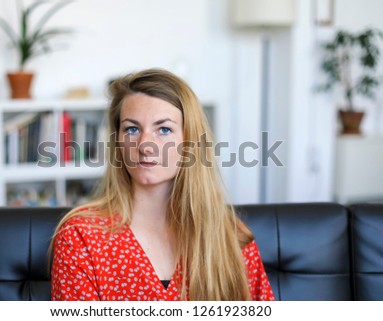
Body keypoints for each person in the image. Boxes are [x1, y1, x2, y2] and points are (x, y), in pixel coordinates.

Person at [50, 68, 275, 301]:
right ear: (118, 141)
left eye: (164, 129)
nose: (145, 145)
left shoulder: (230, 236)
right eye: (132, 129)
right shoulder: (81, 236)